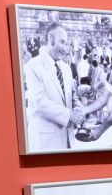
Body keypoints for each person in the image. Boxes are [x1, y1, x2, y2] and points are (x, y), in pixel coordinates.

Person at [22, 22, 78, 151]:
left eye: (67, 44)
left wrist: (78, 107)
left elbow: (71, 95)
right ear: (50, 39)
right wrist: (70, 116)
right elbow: (40, 103)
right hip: (46, 143)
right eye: (62, 42)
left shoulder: (66, 67)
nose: (66, 48)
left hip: (68, 141)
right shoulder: (33, 66)